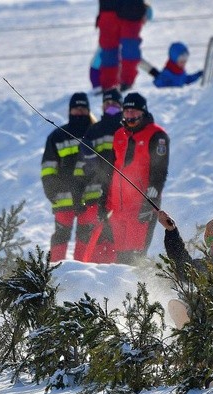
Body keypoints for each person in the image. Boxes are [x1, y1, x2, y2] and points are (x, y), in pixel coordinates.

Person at [106, 92, 169, 264]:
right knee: (119, 260)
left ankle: (142, 290)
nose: (130, 116)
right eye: (127, 112)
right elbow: (111, 170)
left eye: (134, 112)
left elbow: (159, 172)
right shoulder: (119, 135)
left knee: (135, 259)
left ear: (143, 112)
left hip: (141, 207)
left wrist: (150, 202)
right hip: (118, 210)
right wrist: (105, 202)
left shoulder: (157, 135)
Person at [40, 92, 95, 262]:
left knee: (85, 237)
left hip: (90, 196)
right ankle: (55, 271)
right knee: (60, 237)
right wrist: (51, 191)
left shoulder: (95, 132)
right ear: (70, 110)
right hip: (63, 197)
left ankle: (83, 272)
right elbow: (48, 168)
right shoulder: (57, 136)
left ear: (88, 110)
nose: (79, 111)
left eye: (83, 108)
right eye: (76, 108)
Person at [75, 88, 124, 263]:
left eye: (114, 104)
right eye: (107, 103)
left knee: (115, 241)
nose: (110, 106)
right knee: (91, 242)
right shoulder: (93, 131)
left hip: (120, 196)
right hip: (94, 196)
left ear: (121, 106)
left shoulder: (126, 128)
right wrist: (77, 195)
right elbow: (81, 168)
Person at [98, 0, 150, 92]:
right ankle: (109, 85)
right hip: (110, 9)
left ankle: (126, 83)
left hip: (131, 9)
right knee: (109, 49)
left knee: (129, 48)